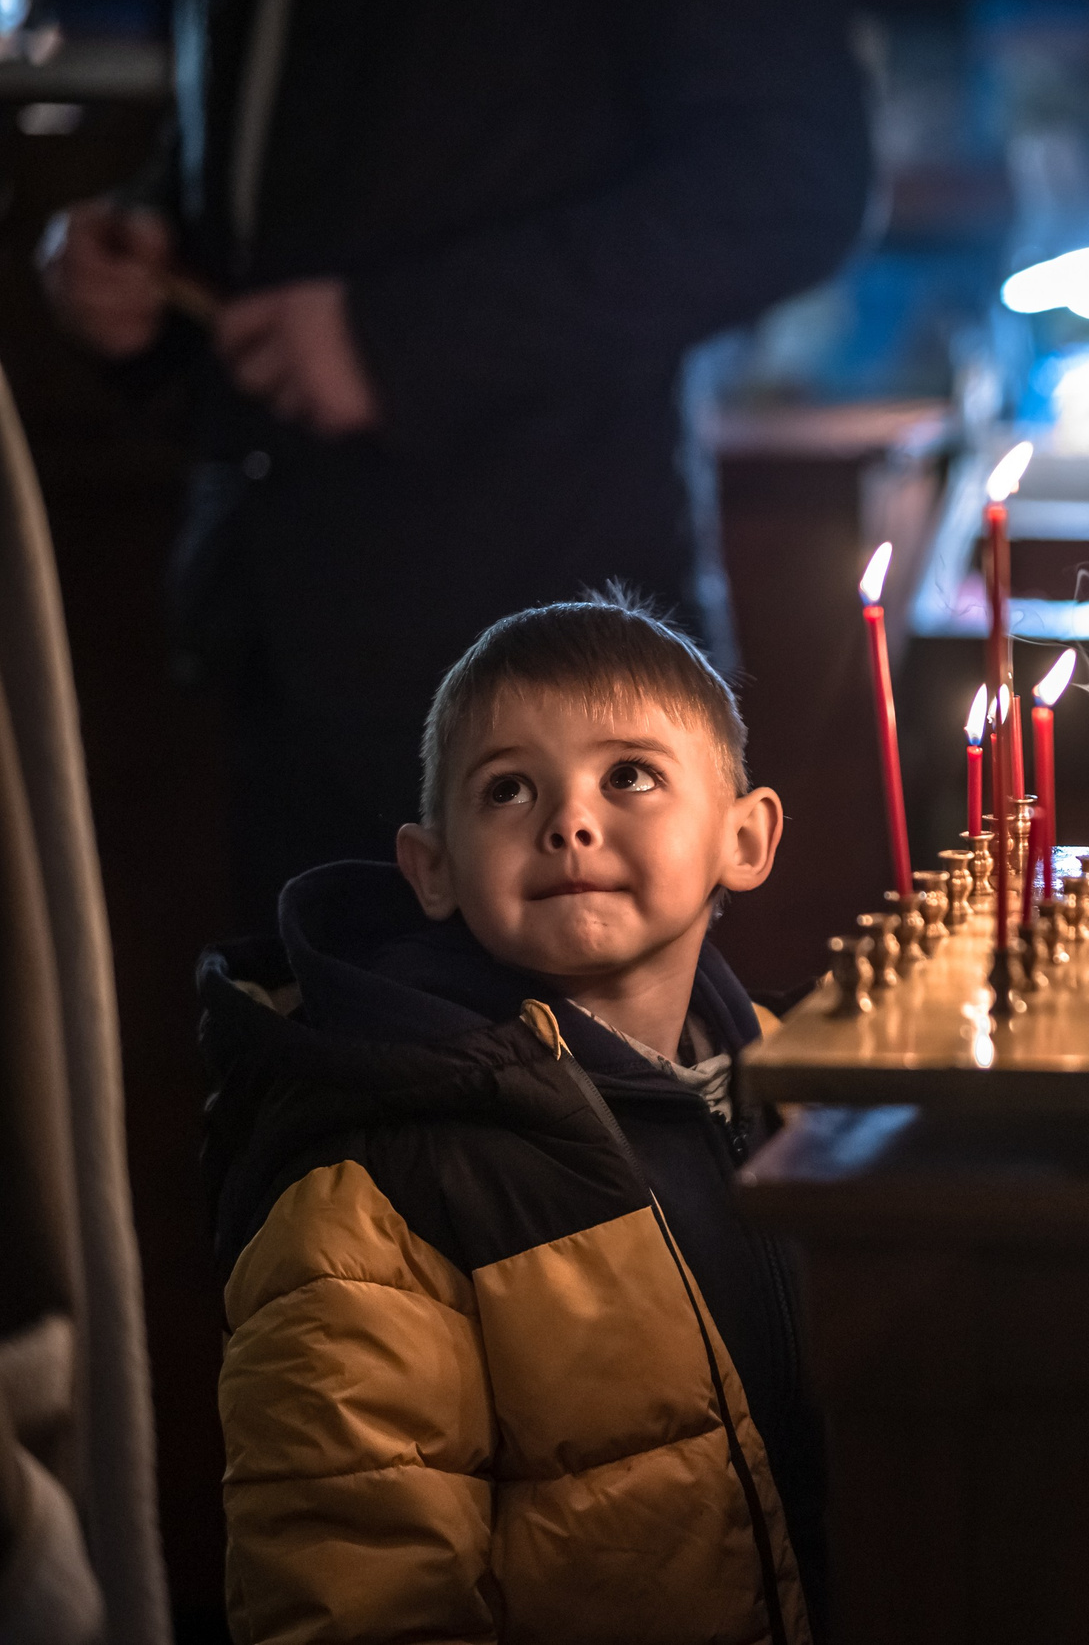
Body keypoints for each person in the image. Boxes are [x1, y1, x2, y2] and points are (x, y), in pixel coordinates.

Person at [38, 0, 870, 929]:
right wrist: (146, 240)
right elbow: (279, 139)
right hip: (261, 636)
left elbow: (790, 181)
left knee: (571, 1035)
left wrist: (396, 342)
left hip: (539, 641)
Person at [197, 597, 825, 1641]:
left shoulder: (802, 1088)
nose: (568, 821)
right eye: (508, 788)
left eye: (629, 775)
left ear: (744, 836)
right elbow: (359, 1588)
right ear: (433, 868)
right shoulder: (378, 1187)